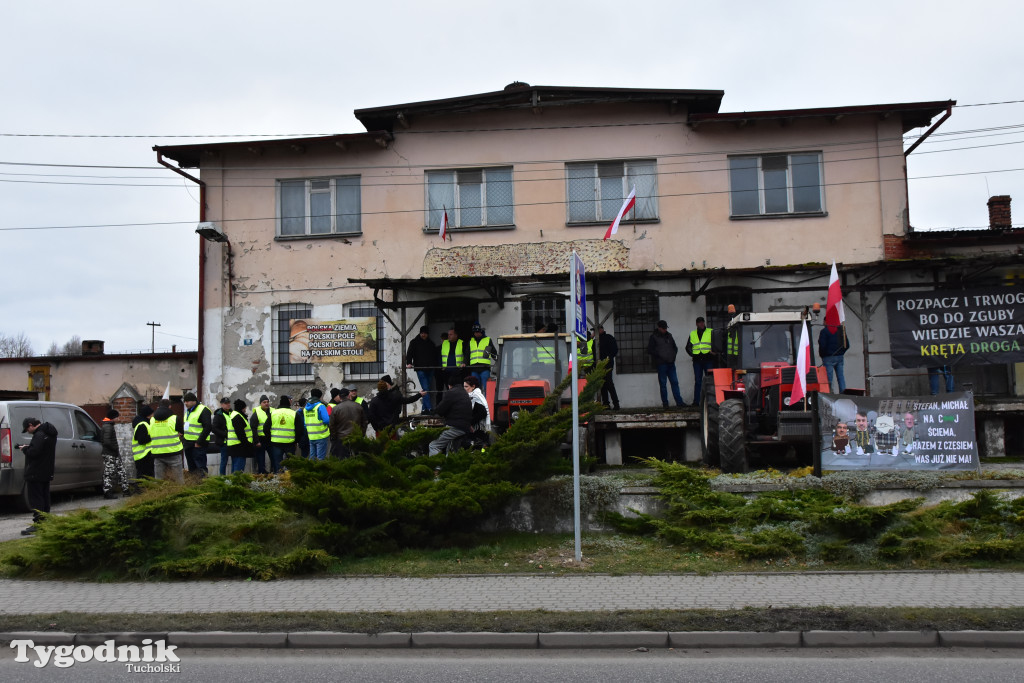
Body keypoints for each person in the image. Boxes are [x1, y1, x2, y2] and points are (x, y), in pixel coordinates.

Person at [17, 417, 57, 535]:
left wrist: (25, 449)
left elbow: (34, 453)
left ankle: (39, 523)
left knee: (36, 498)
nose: (28, 432)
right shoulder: (49, 433)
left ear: (31, 425)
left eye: (27, 429)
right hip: (46, 470)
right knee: (45, 497)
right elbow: (42, 450)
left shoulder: (39, 435)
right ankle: (45, 521)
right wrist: (29, 447)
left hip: (36, 472)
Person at [429, 377, 473, 456]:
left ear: (449, 385)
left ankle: (436, 467)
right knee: (451, 450)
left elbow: (441, 409)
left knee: (434, 445)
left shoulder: (451, 392)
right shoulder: (464, 392)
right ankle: (450, 465)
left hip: (455, 426)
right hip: (465, 427)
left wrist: (433, 412)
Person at [648, 319, 685, 408]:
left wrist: (673, 356)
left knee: (675, 382)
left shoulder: (669, 336)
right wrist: (660, 356)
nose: (665, 330)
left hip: (670, 363)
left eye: (666, 328)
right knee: (663, 384)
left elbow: (674, 347)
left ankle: (679, 402)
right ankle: (665, 403)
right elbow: (650, 350)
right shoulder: (653, 337)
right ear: (659, 328)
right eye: (663, 328)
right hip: (661, 364)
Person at [148, 401, 185, 483]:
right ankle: (180, 494)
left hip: (158, 453)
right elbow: (182, 432)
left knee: (159, 481)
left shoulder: (152, 420)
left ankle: (159, 495)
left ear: (158, 407)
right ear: (170, 407)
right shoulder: (175, 418)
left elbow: (150, 433)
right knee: (178, 480)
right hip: (173, 452)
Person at [406, 325, 438, 413]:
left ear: (427, 334)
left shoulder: (431, 343)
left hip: (430, 368)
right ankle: (430, 408)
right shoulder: (414, 342)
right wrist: (409, 363)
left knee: (426, 388)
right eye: (422, 333)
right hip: (420, 368)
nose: (423, 335)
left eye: (425, 333)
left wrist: (436, 365)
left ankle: (424, 409)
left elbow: (435, 355)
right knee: (426, 388)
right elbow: (409, 353)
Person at [330, 387, 368, 458]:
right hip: (356, 437)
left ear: (340, 397)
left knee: (343, 461)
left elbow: (332, 425)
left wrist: (335, 437)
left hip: (341, 439)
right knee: (357, 459)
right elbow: (364, 422)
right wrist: (361, 434)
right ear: (349, 395)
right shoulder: (358, 406)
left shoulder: (336, 409)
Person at [685, 316, 714, 405]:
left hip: (708, 359)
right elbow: (688, 347)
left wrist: (713, 352)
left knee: (709, 380)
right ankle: (696, 401)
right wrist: (694, 355)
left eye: (702, 322)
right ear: (697, 324)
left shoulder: (710, 331)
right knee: (698, 381)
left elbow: (716, 343)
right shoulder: (693, 334)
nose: (701, 324)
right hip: (697, 361)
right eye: (699, 322)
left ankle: (711, 401)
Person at [182, 393, 212, 478]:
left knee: (200, 467)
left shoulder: (203, 410)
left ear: (194, 401)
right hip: (188, 443)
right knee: (192, 468)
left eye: (187, 401)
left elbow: (208, 427)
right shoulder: (188, 411)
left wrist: (199, 442)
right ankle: (194, 486)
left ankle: (203, 486)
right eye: (184, 401)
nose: (185, 403)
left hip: (198, 444)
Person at [100, 409, 129, 498]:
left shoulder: (107, 425)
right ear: (113, 417)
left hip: (111, 453)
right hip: (110, 453)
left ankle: (125, 490)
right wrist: (115, 449)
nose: (118, 419)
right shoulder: (108, 426)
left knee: (119, 471)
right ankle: (109, 492)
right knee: (110, 472)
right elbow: (107, 442)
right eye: (117, 417)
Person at [265, 395, 296, 473]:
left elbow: (265, 428)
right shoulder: (293, 413)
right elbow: (300, 429)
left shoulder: (273, 413)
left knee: (278, 463)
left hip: (276, 443)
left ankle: (278, 480)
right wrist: (296, 440)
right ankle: (290, 480)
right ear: (289, 403)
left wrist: (270, 439)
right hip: (290, 443)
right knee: (290, 464)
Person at [818, 323, 848, 393]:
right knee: (841, 377)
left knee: (829, 379)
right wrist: (841, 352)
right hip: (839, 357)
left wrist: (823, 355)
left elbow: (822, 345)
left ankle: (830, 394)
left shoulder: (824, 331)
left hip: (828, 357)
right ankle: (843, 394)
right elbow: (847, 344)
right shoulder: (840, 330)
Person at [596, 325, 620, 409]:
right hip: (600, 365)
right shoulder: (596, 340)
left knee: (609, 383)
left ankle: (616, 404)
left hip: (608, 364)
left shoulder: (608, 338)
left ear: (601, 329)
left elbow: (614, 350)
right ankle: (606, 404)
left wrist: (608, 359)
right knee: (602, 385)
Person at [463, 375, 491, 446]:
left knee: (480, 448)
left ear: (473, 386)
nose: (464, 389)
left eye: (466, 386)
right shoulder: (471, 396)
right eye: (464, 386)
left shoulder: (476, 396)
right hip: (475, 428)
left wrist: (471, 423)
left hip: (479, 429)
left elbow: (483, 413)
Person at [227, 398, 253, 473]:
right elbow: (240, 433)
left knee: (235, 467)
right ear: (242, 408)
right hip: (239, 447)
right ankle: (236, 483)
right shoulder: (238, 417)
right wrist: (247, 444)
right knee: (238, 470)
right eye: (245, 408)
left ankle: (232, 483)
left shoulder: (234, 415)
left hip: (235, 446)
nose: (245, 410)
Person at [303, 389, 331, 460]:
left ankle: (310, 470)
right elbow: (326, 420)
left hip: (311, 436)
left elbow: (305, 424)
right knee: (320, 458)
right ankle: (319, 471)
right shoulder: (320, 406)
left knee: (312, 457)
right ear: (320, 396)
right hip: (321, 435)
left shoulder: (306, 408)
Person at [249, 394, 272, 474]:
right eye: (264, 402)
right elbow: (253, 428)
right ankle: (262, 473)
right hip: (260, 439)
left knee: (273, 457)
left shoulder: (272, 411)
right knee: (261, 459)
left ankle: (273, 473)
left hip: (270, 438)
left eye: (267, 402)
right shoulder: (256, 414)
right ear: (260, 403)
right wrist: (256, 441)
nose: (266, 403)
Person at [211, 397, 233, 476]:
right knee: (224, 460)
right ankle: (222, 477)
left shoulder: (232, 413)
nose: (228, 405)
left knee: (234, 460)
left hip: (233, 441)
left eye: (229, 403)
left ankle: (233, 476)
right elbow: (214, 428)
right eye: (226, 403)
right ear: (222, 405)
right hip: (224, 442)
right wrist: (225, 434)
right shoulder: (218, 415)